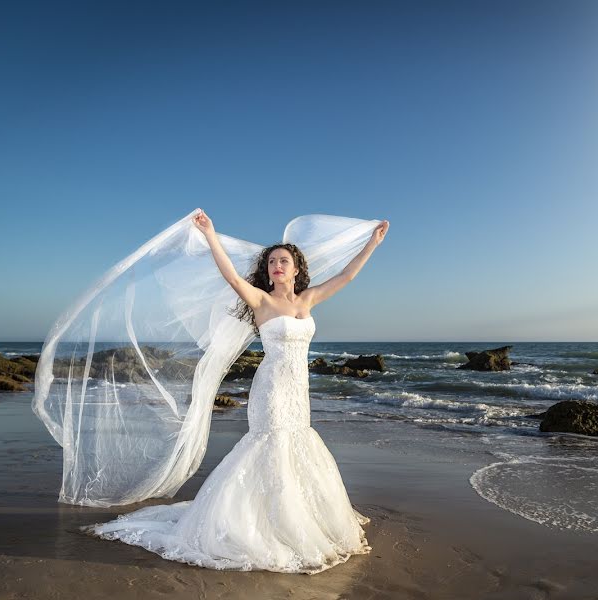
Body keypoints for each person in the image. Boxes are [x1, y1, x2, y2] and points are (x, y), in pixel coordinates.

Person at [78, 210, 390, 574]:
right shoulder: (261, 300)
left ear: (295, 269)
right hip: (271, 389)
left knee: (296, 444)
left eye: (283, 261)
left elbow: (347, 275)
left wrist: (372, 243)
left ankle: (294, 519)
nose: (276, 265)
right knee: (271, 445)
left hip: (298, 391)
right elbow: (228, 274)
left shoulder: (307, 300)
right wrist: (211, 234)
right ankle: (261, 525)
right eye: (272, 261)